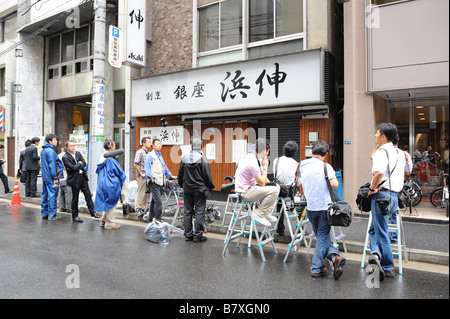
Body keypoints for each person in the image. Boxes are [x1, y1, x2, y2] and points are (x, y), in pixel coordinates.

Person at [298, 140, 346, 280]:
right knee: (323, 236)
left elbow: (300, 182)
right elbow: (334, 184)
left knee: (321, 236)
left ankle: (334, 257)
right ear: (325, 154)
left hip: (311, 207)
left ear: (312, 152)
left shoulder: (302, 165)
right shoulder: (326, 166)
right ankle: (317, 268)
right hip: (325, 207)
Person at [367, 123, 406, 281]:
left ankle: (387, 266)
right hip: (394, 197)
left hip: (381, 195)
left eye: (377, 133)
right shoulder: (399, 153)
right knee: (375, 229)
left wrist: (371, 189)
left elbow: (379, 172)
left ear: (383, 136)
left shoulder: (383, 152)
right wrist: (378, 147)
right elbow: (372, 157)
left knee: (380, 231)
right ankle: (376, 255)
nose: (375, 135)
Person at [234, 138, 280, 227]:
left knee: (276, 187)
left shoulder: (252, 157)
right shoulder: (253, 162)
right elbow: (262, 183)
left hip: (248, 188)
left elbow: (263, 179)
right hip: (245, 192)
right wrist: (265, 167)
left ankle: (266, 212)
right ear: (265, 151)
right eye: (268, 151)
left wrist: (272, 184)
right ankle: (259, 214)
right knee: (274, 191)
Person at [178, 137, 215, 243]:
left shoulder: (184, 157)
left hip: (187, 188)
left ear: (191, 145)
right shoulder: (203, 158)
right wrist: (209, 186)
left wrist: (182, 185)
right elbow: (207, 176)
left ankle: (188, 235)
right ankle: (197, 236)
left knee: (187, 211)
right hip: (199, 189)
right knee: (199, 211)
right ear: (201, 146)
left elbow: (180, 173)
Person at [62, 140, 99, 222]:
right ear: (67, 147)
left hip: (82, 177)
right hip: (74, 180)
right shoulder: (65, 157)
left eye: (74, 145)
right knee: (75, 198)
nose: (73, 147)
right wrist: (79, 164)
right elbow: (72, 167)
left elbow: (84, 163)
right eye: (71, 146)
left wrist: (77, 165)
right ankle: (75, 216)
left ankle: (93, 212)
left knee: (88, 195)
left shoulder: (78, 153)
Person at [95, 139, 127, 230]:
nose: (115, 147)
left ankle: (103, 220)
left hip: (102, 183)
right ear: (110, 147)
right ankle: (109, 223)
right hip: (110, 184)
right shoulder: (110, 160)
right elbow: (119, 172)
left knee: (106, 202)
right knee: (112, 203)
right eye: (114, 146)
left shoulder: (101, 158)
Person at [273, 141, 300, 236]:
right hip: (289, 191)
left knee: (279, 207)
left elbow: (275, 174)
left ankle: (280, 229)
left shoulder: (276, 160)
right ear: (294, 152)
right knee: (299, 205)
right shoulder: (296, 164)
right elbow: (298, 181)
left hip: (278, 190)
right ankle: (299, 229)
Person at [145, 138, 175, 222]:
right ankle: (158, 220)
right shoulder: (150, 155)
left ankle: (151, 221)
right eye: (157, 144)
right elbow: (147, 168)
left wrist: (171, 175)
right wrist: (151, 178)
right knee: (158, 202)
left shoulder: (160, 156)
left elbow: (164, 167)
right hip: (154, 181)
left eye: (160, 144)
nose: (159, 145)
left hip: (160, 182)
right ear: (153, 146)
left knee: (154, 202)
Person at [40, 134, 65, 221]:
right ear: (50, 141)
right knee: (52, 196)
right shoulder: (51, 151)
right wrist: (55, 177)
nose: (56, 142)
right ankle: (52, 215)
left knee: (45, 195)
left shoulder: (43, 150)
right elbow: (52, 165)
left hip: (45, 177)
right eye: (54, 140)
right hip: (51, 177)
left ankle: (44, 213)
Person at [133, 137, 152, 217]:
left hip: (148, 176)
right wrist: (141, 173)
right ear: (144, 143)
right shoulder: (140, 152)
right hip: (143, 175)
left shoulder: (148, 152)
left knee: (146, 193)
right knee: (141, 192)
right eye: (148, 142)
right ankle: (138, 208)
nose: (150, 143)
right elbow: (135, 163)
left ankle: (144, 208)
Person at [57, 147, 72, 214]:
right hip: (65, 177)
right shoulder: (66, 157)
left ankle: (61, 207)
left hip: (59, 177)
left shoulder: (58, 155)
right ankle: (69, 208)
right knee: (68, 193)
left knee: (61, 193)